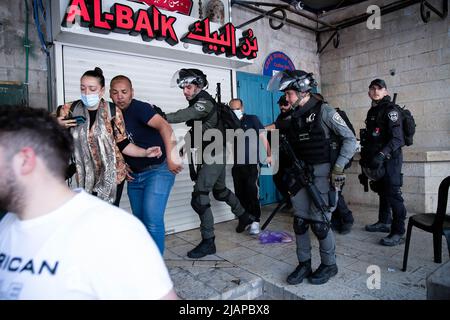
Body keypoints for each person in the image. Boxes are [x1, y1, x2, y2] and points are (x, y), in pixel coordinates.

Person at [0, 106, 177, 300]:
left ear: (25, 160)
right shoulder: (6, 226)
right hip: (101, 179)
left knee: (151, 218)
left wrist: (157, 155)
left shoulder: (116, 233)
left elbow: (128, 142)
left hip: (144, 172)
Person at [267, 70, 356, 285]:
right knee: (299, 221)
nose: (286, 98)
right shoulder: (294, 116)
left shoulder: (324, 111)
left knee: (320, 223)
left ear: (302, 91)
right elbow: (276, 129)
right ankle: (304, 263)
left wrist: (338, 168)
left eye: (289, 93)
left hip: (323, 174)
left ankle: (329, 265)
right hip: (300, 174)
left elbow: (350, 139)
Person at [163, 68, 254, 259]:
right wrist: (184, 147)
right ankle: (244, 216)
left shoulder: (203, 102)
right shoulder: (200, 102)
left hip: (215, 154)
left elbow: (183, 115)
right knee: (220, 191)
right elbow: (198, 129)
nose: (185, 91)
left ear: (198, 86)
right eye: (183, 88)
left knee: (200, 196)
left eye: (188, 87)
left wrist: (161, 117)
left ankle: (208, 241)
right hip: (213, 152)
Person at [56, 67, 161, 207]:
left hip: (113, 174)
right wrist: (54, 125)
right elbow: (40, 131)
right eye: (83, 88)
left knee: (106, 215)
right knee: (89, 213)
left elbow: (123, 144)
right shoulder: (69, 109)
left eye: (92, 89)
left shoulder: (112, 111)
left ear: (101, 91)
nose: (87, 93)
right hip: (86, 173)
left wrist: (144, 152)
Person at [109, 75, 183, 255]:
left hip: (158, 169)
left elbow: (165, 127)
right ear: (110, 94)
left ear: (131, 93)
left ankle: (157, 268)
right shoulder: (110, 114)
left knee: (152, 219)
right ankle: (146, 260)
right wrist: (123, 164)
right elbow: (117, 144)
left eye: (124, 92)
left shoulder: (139, 108)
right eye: (115, 92)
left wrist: (172, 157)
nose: (120, 96)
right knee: (140, 221)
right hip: (134, 176)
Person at [360, 79, 407, 246]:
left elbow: (397, 139)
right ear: (368, 92)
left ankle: (399, 231)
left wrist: (381, 154)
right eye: (372, 88)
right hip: (378, 159)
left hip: (391, 159)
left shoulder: (391, 110)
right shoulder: (373, 111)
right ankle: (384, 222)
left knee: (394, 194)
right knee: (382, 191)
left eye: (379, 88)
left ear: (386, 91)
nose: (375, 91)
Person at [229, 98, 271, 235]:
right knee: (240, 193)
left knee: (252, 191)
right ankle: (244, 219)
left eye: (237, 108)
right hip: (237, 164)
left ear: (242, 108)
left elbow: (263, 138)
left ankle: (256, 221)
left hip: (252, 163)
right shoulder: (230, 122)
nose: (235, 111)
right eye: (232, 109)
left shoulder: (252, 119)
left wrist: (269, 154)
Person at [265, 94, 293, 212]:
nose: (282, 107)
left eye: (285, 104)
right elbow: (273, 135)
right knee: (277, 179)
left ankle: (297, 206)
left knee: (293, 182)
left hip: (292, 156)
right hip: (280, 155)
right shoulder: (280, 117)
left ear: (290, 103)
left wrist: (268, 128)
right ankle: (289, 202)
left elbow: (282, 126)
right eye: (280, 104)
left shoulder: (295, 115)